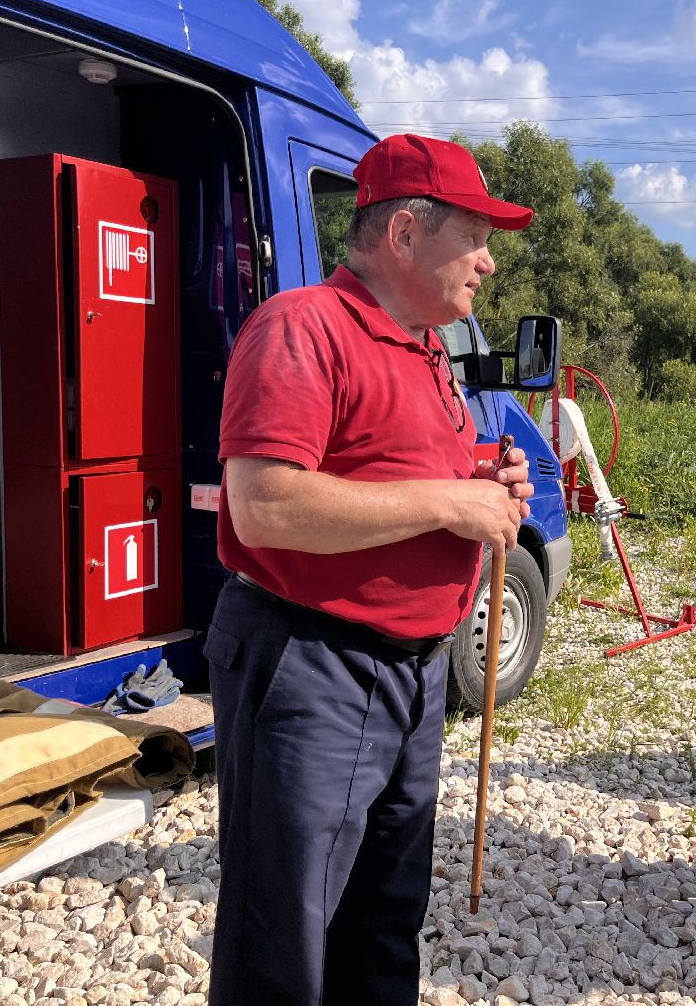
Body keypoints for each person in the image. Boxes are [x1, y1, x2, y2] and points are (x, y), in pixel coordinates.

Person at [204, 133, 536, 1006]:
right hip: (312, 666)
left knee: (382, 926)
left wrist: (484, 480)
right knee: (286, 942)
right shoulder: (302, 325)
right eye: (475, 237)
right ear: (405, 233)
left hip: (413, 676)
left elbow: (394, 469)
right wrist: (447, 502)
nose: (488, 262)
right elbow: (264, 504)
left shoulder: (429, 350)